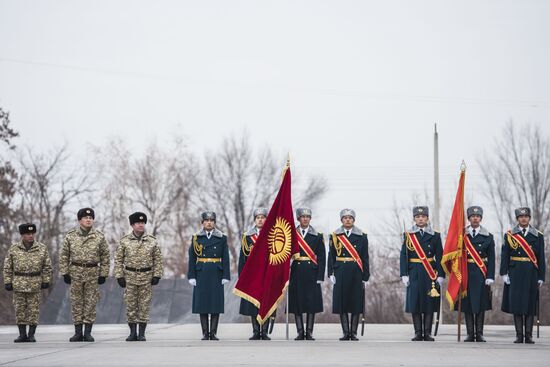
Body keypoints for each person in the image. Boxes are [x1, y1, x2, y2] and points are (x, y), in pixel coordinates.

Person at [59, 208, 110, 342]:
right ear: (79, 220)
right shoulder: (71, 236)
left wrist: (103, 274)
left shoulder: (99, 236)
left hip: (92, 273)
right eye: (86, 218)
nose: (88, 220)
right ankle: (77, 332)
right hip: (75, 272)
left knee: (90, 303)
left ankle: (87, 332)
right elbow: (64, 255)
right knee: (76, 302)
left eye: (91, 218)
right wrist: (65, 272)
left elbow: (105, 256)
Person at [115, 212, 164, 341]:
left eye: (143, 223)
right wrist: (119, 276)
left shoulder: (152, 241)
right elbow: (118, 260)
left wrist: (157, 275)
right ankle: (132, 333)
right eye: (138, 223)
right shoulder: (125, 241)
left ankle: (142, 333)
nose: (141, 225)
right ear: (132, 225)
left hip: (146, 277)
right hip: (130, 277)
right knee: (130, 305)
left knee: (144, 305)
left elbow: (158, 259)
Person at [501, 207, 545, 344]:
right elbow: (505, 255)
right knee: (517, 304)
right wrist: (504, 273)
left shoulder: (538, 235)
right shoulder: (509, 235)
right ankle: (519, 335)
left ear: (529, 218)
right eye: (521, 217)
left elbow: (541, 258)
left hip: (531, 273)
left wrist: (541, 276)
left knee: (530, 304)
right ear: (517, 219)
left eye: (526, 216)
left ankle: (529, 335)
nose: (523, 219)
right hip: (515, 272)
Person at [400, 206, 444, 341]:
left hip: (430, 273)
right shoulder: (408, 235)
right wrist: (404, 274)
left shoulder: (435, 235)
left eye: (423, 216)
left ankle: (427, 333)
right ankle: (418, 332)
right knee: (415, 303)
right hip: (414, 272)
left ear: (427, 218)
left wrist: (441, 274)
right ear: (414, 219)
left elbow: (440, 255)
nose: (420, 219)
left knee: (429, 303)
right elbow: (404, 255)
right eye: (418, 217)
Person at [3, 223, 52, 343]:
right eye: (27, 234)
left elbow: (47, 266)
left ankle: (31, 335)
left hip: (35, 283)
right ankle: (22, 335)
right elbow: (7, 267)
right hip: (19, 284)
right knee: (20, 310)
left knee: (33, 310)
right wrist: (7, 281)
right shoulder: (14, 248)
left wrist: (46, 280)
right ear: (22, 235)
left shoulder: (41, 248)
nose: (30, 236)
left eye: (32, 234)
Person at [328, 209, 369, 341]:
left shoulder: (362, 236)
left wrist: (366, 275)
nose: (347, 220)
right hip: (340, 271)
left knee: (356, 302)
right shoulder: (335, 235)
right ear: (341, 220)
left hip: (356, 271)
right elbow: (331, 256)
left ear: (354, 220)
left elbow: (365, 257)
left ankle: (354, 332)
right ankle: (346, 332)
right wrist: (330, 273)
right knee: (342, 302)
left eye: (350, 218)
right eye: (345, 218)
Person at [187, 211, 230, 340]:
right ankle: (205, 333)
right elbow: (192, 257)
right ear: (202, 223)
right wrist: (191, 276)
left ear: (215, 223)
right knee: (203, 303)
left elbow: (226, 258)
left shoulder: (222, 238)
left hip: (216, 272)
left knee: (215, 303)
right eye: (206, 220)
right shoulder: (196, 238)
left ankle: (213, 332)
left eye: (211, 220)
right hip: (201, 272)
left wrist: (225, 275)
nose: (209, 222)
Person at [456, 206, 495, 342]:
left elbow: (491, 258)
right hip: (466, 273)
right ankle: (469, 333)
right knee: (467, 305)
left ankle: (479, 333)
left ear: (481, 218)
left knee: (480, 305)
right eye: (472, 216)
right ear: (468, 218)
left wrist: (490, 276)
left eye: (477, 216)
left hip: (481, 273)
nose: (475, 218)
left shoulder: (488, 237)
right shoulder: (461, 235)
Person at [289, 207, 325, 341]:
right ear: (298, 219)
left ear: (310, 218)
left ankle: (309, 332)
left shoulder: (317, 235)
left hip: (312, 272)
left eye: (307, 217)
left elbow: (321, 257)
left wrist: (320, 276)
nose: (305, 219)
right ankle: (300, 331)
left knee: (311, 303)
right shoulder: (292, 234)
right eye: (302, 216)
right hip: (296, 271)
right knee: (297, 303)